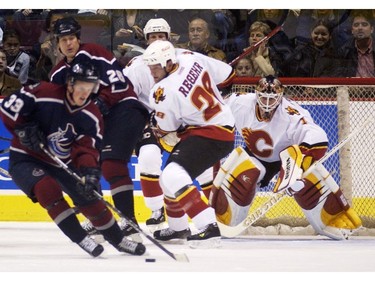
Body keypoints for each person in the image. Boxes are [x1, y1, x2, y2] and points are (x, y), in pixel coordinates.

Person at [0, 61, 146, 257]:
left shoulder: (91, 115)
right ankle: (80, 237)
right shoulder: (43, 92)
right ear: (70, 83)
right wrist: (21, 129)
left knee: (90, 198)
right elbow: (8, 108)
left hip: (63, 162)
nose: (86, 92)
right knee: (47, 189)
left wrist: (88, 172)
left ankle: (118, 240)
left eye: (91, 87)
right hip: (26, 158)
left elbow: (86, 149)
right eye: (82, 86)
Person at [210, 75, 362, 240]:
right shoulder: (240, 103)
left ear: (280, 97)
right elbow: (213, 108)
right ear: (256, 94)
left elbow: (317, 136)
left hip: (288, 157)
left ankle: (334, 221)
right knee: (243, 172)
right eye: (263, 98)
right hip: (255, 156)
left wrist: (297, 167)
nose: (267, 104)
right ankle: (221, 221)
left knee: (308, 176)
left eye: (272, 98)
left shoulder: (291, 113)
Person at [50, 17, 149, 242]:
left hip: (124, 108)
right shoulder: (57, 74)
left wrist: (100, 102)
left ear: (78, 39)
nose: (68, 43)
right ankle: (100, 220)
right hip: (99, 122)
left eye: (72, 38)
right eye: (63, 39)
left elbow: (119, 85)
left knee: (112, 163)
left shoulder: (92, 52)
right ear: (57, 43)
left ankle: (130, 223)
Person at [143, 40, 235, 248]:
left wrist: (156, 128)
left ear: (168, 62)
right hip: (219, 125)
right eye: (150, 66)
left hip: (211, 133)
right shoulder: (188, 56)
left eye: (156, 66)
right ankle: (178, 227)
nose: (152, 71)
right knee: (169, 177)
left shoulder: (161, 91)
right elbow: (228, 73)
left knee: (172, 174)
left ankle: (208, 227)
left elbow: (168, 129)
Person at [336, 11, 375, 77]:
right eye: (356, 25)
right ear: (352, 30)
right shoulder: (344, 52)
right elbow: (339, 76)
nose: (360, 28)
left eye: (364, 24)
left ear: (371, 29)